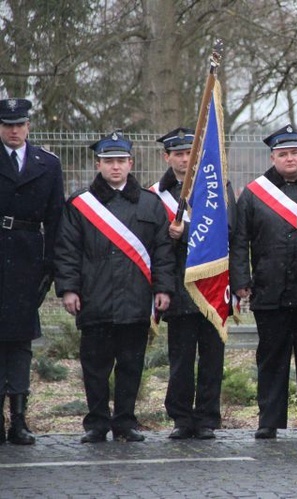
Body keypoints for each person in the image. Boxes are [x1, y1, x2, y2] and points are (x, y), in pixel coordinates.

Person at [54, 130, 175, 443]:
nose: (115, 167)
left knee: (131, 366)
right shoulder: (81, 204)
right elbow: (67, 250)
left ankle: (125, 422)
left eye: (121, 160)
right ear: (98, 164)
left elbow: (163, 251)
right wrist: (69, 289)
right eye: (109, 161)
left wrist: (163, 288)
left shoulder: (150, 204)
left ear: (131, 162)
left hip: (136, 300)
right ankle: (96, 423)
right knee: (94, 367)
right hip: (95, 299)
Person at [229, 124, 297, 440]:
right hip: (269, 290)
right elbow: (240, 240)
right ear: (273, 157)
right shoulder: (255, 194)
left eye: (295, 152)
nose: (290, 158)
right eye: (283, 154)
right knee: (271, 360)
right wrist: (241, 279)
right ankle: (269, 421)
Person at [154, 127, 235, 440]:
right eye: (178, 154)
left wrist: (187, 232)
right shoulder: (157, 194)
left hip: (212, 286)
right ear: (167, 157)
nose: (185, 159)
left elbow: (229, 231)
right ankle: (181, 418)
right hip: (178, 287)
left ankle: (206, 419)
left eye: (190, 153)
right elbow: (153, 245)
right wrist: (171, 236)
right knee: (181, 360)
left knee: (212, 359)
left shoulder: (218, 187)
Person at [0, 98, 64, 445]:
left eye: (19, 124)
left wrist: (51, 266)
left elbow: (55, 217)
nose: (13, 130)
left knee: (21, 342)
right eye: (7, 124)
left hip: (28, 259)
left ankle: (20, 420)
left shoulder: (47, 164)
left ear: (28, 126)